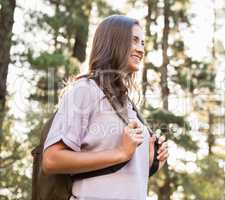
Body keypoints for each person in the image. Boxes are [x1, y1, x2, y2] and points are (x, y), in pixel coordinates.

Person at [42, 15, 169, 200]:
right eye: (134, 41)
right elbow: (52, 159)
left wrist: (150, 161)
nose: (141, 49)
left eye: (142, 43)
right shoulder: (85, 90)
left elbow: (116, 175)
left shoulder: (128, 105)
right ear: (113, 42)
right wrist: (120, 152)